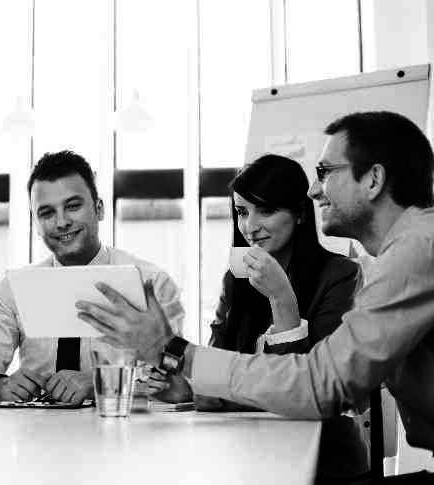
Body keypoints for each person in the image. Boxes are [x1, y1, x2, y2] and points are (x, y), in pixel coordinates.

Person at [77, 111, 434, 480]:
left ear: (373, 179)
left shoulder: (414, 251)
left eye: (325, 172)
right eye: (242, 212)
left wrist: (174, 350)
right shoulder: (407, 250)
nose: (314, 190)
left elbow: (321, 386)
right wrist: (189, 385)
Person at [147, 154, 368, 480]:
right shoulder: (236, 279)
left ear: (299, 213)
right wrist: (189, 390)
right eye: (242, 212)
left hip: (323, 458)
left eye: (265, 210)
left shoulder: (341, 275)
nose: (250, 226)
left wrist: (282, 300)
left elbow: (308, 394)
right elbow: (220, 363)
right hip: (245, 449)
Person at [0, 150, 185, 405]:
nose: (62, 222)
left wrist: (101, 381)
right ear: (35, 224)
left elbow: (173, 372)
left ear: (99, 209)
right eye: (47, 213)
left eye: (73, 206)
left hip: (121, 424)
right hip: (36, 426)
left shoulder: (152, 283)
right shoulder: (14, 289)